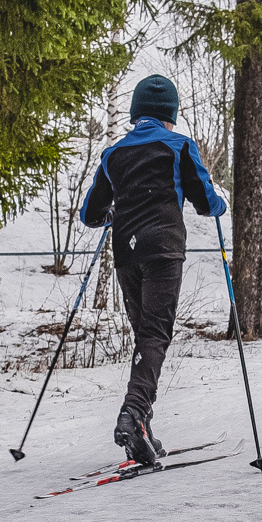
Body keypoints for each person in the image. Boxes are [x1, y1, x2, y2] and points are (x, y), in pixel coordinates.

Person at [80, 74, 226, 465]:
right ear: (169, 115)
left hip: (127, 253)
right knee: (155, 335)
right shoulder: (178, 146)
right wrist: (219, 206)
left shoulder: (114, 155)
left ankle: (141, 424)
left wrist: (112, 213)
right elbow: (205, 200)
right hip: (162, 249)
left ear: (135, 114)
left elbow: (90, 214)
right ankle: (132, 415)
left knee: (146, 336)